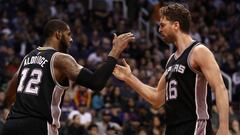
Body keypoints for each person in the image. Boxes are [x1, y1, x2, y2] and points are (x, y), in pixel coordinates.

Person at [2, 19, 135, 135]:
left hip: (11, 125)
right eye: (69, 34)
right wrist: (115, 51)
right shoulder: (60, 59)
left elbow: (9, 94)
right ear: (58, 34)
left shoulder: (28, 57)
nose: (71, 39)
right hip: (38, 126)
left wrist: (13, 114)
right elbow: (96, 82)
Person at [113, 3, 229, 135]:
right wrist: (129, 78)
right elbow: (157, 98)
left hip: (195, 125)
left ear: (176, 25)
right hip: (172, 128)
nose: (159, 30)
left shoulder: (199, 51)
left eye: (162, 25)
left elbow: (220, 88)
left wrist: (224, 128)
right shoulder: (171, 59)